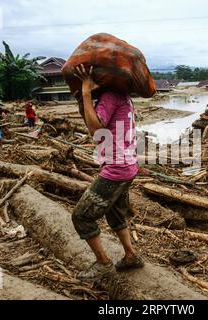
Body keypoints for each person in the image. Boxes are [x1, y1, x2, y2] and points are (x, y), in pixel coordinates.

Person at [72, 64, 143, 282]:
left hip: (117, 168)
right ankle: (130, 255)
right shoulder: (123, 96)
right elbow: (94, 124)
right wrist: (82, 101)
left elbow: (95, 130)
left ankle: (103, 264)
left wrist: (85, 91)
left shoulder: (110, 96)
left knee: (81, 217)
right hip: (128, 166)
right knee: (115, 213)